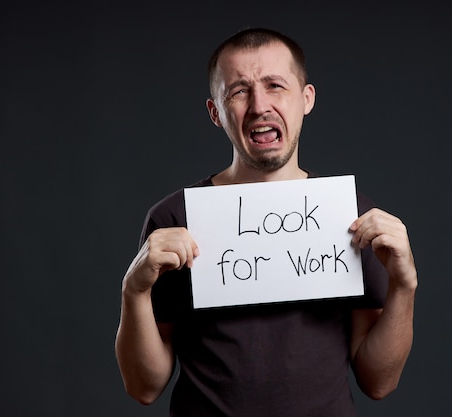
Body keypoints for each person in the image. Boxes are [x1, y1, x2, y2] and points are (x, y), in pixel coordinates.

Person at [115, 27, 418, 416]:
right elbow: (144, 387)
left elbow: (379, 382)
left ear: (306, 99)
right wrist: (133, 292)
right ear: (216, 113)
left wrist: (404, 287)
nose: (259, 105)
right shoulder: (175, 218)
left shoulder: (349, 215)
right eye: (239, 91)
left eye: (275, 85)